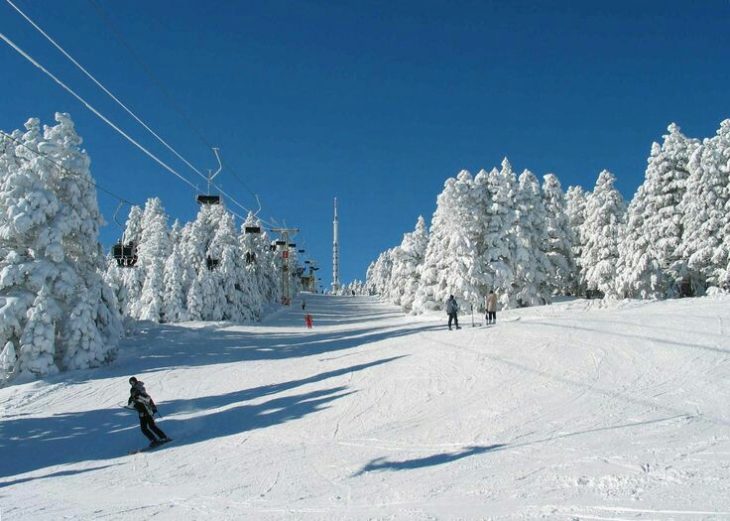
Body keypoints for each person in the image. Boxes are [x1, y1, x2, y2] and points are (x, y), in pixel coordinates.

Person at [128, 377, 170, 447]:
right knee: (145, 428)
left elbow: (147, 399)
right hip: (142, 412)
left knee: (151, 426)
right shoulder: (135, 390)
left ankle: (162, 438)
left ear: (135, 381)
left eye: (133, 382)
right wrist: (132, 405)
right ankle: (155, 439)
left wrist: (152, 407)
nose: (132, 384)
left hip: (147, 411)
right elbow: (132, 401)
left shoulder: (139, 389)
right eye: (131, 383)